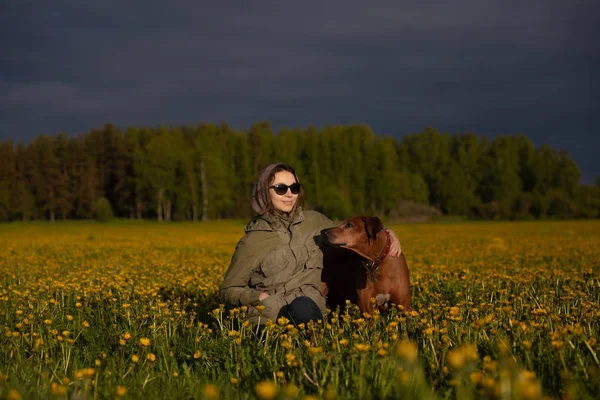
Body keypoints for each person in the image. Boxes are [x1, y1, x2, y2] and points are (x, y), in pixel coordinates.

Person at [219, 163, 402, 327]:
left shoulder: (315, 221)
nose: (289, 194)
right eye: (281, 189)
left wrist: (385, 233)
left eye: (294, 187)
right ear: (264, 192)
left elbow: (354, 234)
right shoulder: (252, 241)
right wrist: (257, 297)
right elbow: (228, 290)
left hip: (309, 314)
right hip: (269, 321)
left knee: (303, 307)